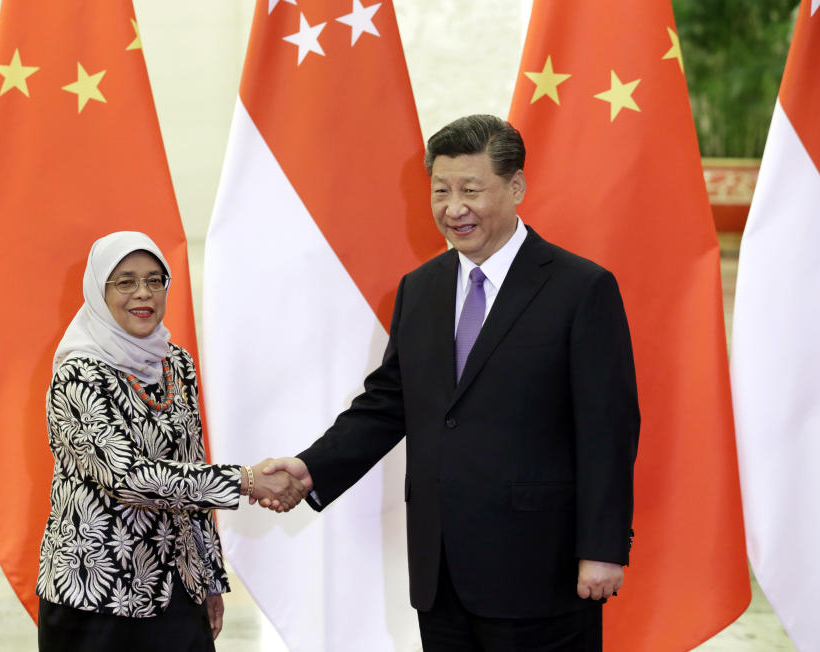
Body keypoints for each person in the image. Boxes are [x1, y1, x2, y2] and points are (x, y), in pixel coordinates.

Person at [264, 115, 639, 650]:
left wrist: (602, 547)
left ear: (516, 187)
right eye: (441, 191)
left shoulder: (581, 288)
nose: (453, 208)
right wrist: (309, 468)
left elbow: (609, 429)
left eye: (470, 190)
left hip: (542, 571)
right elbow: (386, 405)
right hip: (441, 574)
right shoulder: (421, 289)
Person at [36, 231, 305, 651]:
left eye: (154, 280)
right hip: (96, 595)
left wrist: (211, 580)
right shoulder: (79, 373)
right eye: (125, 281)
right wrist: (246, 480)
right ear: (98, 290)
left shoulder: (175, 363)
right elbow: (128, 478)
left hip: (177, 590)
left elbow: (192, 467)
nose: (143, 293)